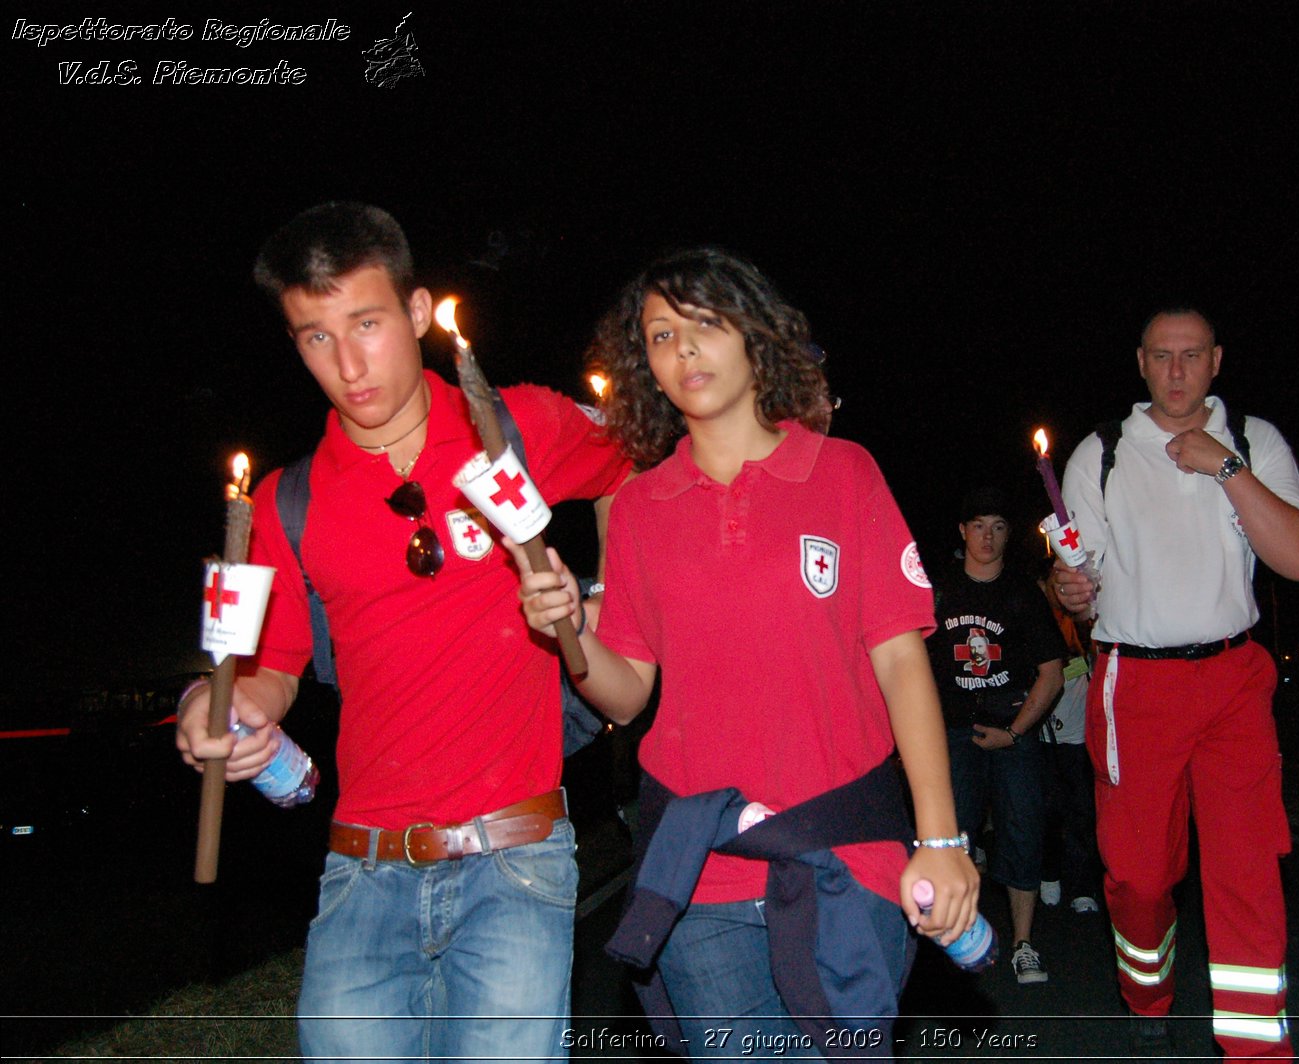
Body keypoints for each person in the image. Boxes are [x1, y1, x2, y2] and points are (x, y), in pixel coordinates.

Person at [175, 202, 631, 1062]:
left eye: (367, 323)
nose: (348, 364)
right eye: (315, 337)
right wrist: (220, 708)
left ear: (418, 315)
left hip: (515, 858)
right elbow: (268, 669)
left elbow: (631, 463)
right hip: (361, 874)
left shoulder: (514, 428)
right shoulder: (285, 502)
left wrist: (612, 596)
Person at [515, 247, 977, 1058]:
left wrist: (940, 840)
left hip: (850, 850)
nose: (683, 349)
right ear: (645, 367)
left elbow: (902, 662)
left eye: (703, 324)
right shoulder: (640, 509)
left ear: (753, 334)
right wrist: (572, 630)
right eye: (660, 336)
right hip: (702, 868)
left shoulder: (844, 474)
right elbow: (625, 696)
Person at [1053, 307, 1299, 1059]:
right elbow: (1080, 571)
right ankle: (1147, 993)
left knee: (1246, 873)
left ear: (1216, 361)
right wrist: (1070, 588)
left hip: (1235, 679)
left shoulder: (1254, 441)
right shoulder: (1100, 452)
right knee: (1140, 878)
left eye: (1191, 356)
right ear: (1140, 361)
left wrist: (1225, 467)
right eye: (1162, 356)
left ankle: (1256, 1049)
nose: (1176, 372)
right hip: (1134, 683)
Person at [926, 487, 1066, 984]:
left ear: (1009, 534)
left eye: (999, 526)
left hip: (1013, 730)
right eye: (978, 525)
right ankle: (957, 939)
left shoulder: (1022, 594)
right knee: (952, 837)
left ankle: (1024, 943)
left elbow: (1052, 672)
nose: (988, 536)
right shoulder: (937, 592)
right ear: (963, 532)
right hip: (955, 731)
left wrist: (1014, 731)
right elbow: (911, 668)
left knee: (1022, 831)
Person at [1036, 558, 1102, 915]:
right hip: (1043, 731)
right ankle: (1049, 874)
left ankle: (1082, 886)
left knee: (1082, 811)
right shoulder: (1034, 619)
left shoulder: (1085, 618)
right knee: (1047, 809)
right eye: (1054, 583)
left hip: (1079, 731)